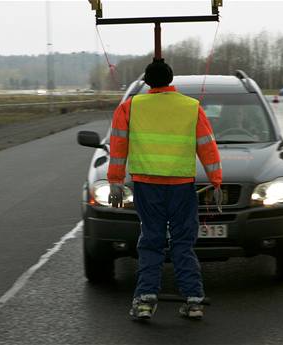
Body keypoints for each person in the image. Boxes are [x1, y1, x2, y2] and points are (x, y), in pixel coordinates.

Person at [107, 58, 222, 320]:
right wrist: (216, 180)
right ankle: (193, 300)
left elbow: (118, 147)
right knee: (183, 243)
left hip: (147, 187)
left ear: (146, 82)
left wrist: (115, 180)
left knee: (151, 240)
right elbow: (207, 146)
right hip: (182, 187)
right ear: (171, 80)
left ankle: (146, 300)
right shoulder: (191, 107)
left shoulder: (130, 107)